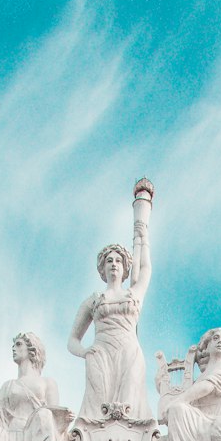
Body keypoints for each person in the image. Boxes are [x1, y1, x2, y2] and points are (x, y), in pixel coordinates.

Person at [68, 179, 154, 423]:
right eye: (109, 260)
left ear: (126, 267)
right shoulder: (93, 300)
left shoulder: (133, 294)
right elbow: (72, 340)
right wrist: (86, 352)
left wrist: (143, 231)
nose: (114, 263)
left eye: (118, 260)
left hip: (129, 351)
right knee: (97, 417)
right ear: (102, 269)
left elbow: (146, 268)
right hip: (101, 353)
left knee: (129, 414)